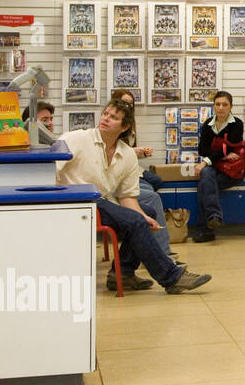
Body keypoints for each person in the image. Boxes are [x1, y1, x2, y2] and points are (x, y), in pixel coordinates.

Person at [55, 100, 210, 294]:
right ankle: (171, 277)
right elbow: (49, 171)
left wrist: (144, 218)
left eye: (114, 118)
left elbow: (127, 196)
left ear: (125, 126)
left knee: (147, 213)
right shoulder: (75, 139)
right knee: (136, 220)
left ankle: (124, 274)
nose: (106, 119)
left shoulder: (127, 154)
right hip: (73, 202)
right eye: (106, 114)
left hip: (100, 202)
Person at [110, 88, 174, 262]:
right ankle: (162, 253)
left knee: (153, 183)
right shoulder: (110, 131)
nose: (128, 107)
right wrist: (133, 152)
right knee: (152, 198)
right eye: (124, 103)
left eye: (131, 104)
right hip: (114, 184)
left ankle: (154, 251)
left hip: (126, 175)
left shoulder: (128, 127)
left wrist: (136, 153)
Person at [192, 91, 244, 242]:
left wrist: (207, 160)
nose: (220, 108)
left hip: (232, 172)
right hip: (214, 169)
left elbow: (229, 146)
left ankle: (206, 230)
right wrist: (223, 154)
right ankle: (214, 217)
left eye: (225, 105)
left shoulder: (237, 124)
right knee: (206, 177)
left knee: (204, 184)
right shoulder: (208, 124)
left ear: (231, 107)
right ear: (213, 106)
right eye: (217, 104)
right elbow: (202, 149)